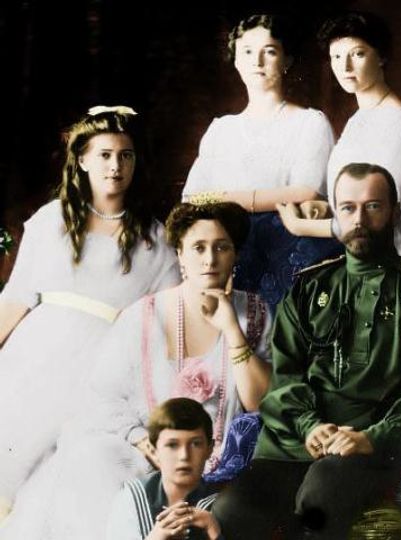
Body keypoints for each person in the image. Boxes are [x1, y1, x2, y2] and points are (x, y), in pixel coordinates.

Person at [213, 162, 401, 539]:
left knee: (319, 500)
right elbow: (285, 376)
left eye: (372, 206)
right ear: (336, 212)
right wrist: (309, 426)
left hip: (372, 445)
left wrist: (371, 437)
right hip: (295, 442)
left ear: (394, 211)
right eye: (348, 207)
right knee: (231, 513)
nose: (359, 219)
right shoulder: (310, 287)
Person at [0, 202, 272, 540]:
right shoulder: (144, 315)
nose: (210, 259)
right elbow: (102, 394)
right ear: (180, 255)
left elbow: (259, 401)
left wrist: (231, 328)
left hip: (218, 455)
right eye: (198, 248)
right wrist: (141, 439)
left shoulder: (254, 313)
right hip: (145, 448)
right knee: (92, 460)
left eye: (222, 247)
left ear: (235, 255)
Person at [0, 106, 180, 521]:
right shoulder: (52, 220)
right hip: (36, 353)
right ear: (81, 160)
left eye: (125, 156)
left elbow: (165, 324)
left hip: (102, 362)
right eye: (104, 155)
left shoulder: (154, 239)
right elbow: (16, 296)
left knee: (62, 478)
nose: (115, 166)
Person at [183, 13, 341, 309]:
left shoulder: (309, 123)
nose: (257, 62)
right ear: (236, 61)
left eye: (269, 51)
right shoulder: (221, 129)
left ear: (286, 60)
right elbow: (192, 198)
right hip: (226, 258)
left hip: (286, 259)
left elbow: (307, 191)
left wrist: (224, 197)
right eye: (247, 52)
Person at [277, 11, 401, 270]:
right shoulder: (359, 119)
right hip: (356, 259)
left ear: (381, 57)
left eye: (358, 54)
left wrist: (300, 226)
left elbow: (382, 217)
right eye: (336, 57)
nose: (345, 67)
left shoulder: (398, 123)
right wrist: (325, 207)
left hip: (390, 264)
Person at [106, 398, 221, 540]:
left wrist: (213, 530)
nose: (184, 456)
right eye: (172, 445)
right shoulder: (133, 498)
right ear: (153, 451)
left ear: (209, 449)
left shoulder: (221, 504)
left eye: (195, 444)